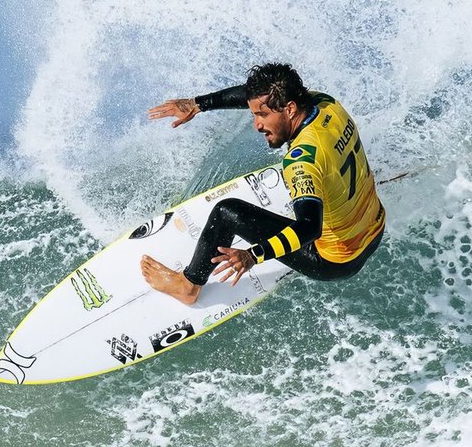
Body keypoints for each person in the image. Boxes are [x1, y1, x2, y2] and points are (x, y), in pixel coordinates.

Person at [141, 63, 384, 305]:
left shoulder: (302, 161)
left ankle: (188, 286)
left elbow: (310, 228)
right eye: (255, 114)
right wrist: (197, 104)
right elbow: (258, 95)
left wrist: (254, 254)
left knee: (227, 212)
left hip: (336, 260)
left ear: (289, 109)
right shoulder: (326, 103)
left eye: (263, 115)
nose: (257, 125)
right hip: (375, 227)